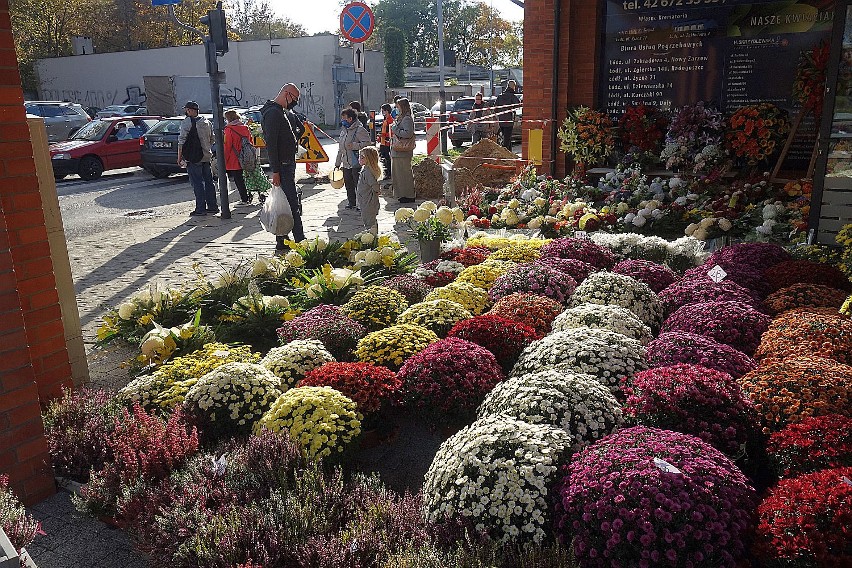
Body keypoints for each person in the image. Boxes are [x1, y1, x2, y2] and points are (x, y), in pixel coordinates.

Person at [261, 83, 305, 250]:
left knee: (286, 205)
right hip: (283, 166)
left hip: (287, 164)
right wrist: (276, 171)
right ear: (286, 94)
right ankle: (300, 240)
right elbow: (271, 145)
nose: (295, 103)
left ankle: (283, 240)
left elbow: (295, 131)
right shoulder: (273, 113)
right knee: (292, 205)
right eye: (294, 99)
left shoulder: (281, 112)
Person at [177, 101, 218, 216]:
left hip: (194, 157)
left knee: (197, 183)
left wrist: (179, 157)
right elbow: (212, 139)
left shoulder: (186, 123)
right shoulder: (206, 122)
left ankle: (200, 209)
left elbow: (181, 141)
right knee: (209, 182)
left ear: (190, 110)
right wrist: (206, 148)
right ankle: (213, 206)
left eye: (187, 110)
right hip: (206, 156)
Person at [335, 107, 371, 210]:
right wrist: (337, 164)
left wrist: (355, 145)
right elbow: (340, 148)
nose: (342, 120)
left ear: (350, 119)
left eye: (344, 118)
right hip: (346, 163)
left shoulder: (359, 130)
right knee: (349, 184)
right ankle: (352, 202)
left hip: (357, 162)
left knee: (358, 185)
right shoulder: (344, 131)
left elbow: (367, 144)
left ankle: (361, 204)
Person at [223, 109, 253, 205]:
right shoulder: (245, 128)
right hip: (246, 156)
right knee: (246, 177)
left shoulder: (229, 129)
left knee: (238, 179)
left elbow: (227, 145)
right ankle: (248, 196)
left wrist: (224, 160)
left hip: (234, 158)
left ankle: (244, 199)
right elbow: (250, 141)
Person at [390, 97, 416, 203]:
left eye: (398, 107)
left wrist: (395, 129)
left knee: (404, 175)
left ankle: (408, 195)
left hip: (403, 152)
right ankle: (401, 194)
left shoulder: (407, 119)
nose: (396, 108)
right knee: (398, 175)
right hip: (398, 151)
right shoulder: (401, 118)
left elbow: (408, 133)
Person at [356, 146, 382, 234]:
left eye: (362, 157)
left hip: (369, 201)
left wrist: (377, 190)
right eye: (359, 156)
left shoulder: (368, 172)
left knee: (369, 220)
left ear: (369, 159)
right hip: (364, 200)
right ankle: (371, 235)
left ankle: (372, 236)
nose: (359, 159)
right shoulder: (365, 169)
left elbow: (374, 184)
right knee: (368, 219)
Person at [495, 80, 521, 151]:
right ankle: (505, 153)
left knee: (507, 138)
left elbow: (495, 108)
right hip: (509, 120)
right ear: (513, 87)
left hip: (501, 120)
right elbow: (518, 105)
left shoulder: (500, 96)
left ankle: (509, 154)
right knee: (507, 139)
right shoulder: (512, 96)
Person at [377, 103, 393, 184]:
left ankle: (388, 173)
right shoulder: (386, 119)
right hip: (383, 142)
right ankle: (386, 173)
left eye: (383, 110)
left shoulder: (390, 120)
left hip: (387, 143)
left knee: (387, 159)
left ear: (387, 111)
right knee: (383, 158)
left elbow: (391, 132)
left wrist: (383, 135)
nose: (382, 112)